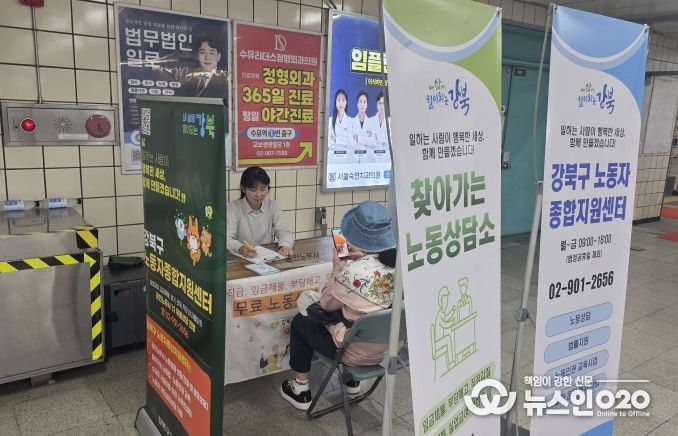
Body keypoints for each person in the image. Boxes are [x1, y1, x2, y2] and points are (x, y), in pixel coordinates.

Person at [279, 200, 397, 411]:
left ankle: (300, 389)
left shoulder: (351, 273)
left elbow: (326, 304)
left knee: (300, 321)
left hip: (352, 353)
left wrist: (337, 268)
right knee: (355, 316)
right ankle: (352, 383)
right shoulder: (398, 267)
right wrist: (362, 259)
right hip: (386, 350)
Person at [227, 166, 294, 257]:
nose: (259, 195)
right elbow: (226, 238)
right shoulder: (233, 208)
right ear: (243, 189)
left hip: (267, 257)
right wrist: (240, 248)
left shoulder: (272, 206)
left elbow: (284, 232)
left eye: (263, 189)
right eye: (253, 190)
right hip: (242, 258)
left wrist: (284, 246)